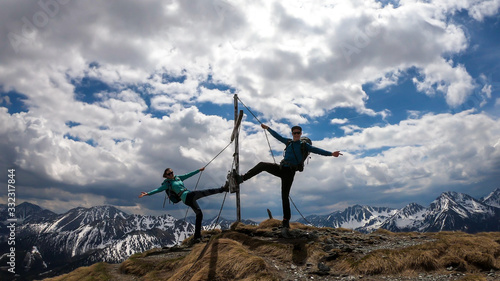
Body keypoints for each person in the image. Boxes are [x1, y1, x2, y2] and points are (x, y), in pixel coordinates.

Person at [234, 124, 342, 235]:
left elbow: (317, 150)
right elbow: (278, 136)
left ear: (301, 134)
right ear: (292, 134)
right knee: (262, 165)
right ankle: (242, 178)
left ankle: (286, 221)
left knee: (284, 196)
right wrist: (268, 128)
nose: (296, 135)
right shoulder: (289, 142)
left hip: (289, 172)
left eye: (298, 133)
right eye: (294, 133)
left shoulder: (303, 146)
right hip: (281, 168)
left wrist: (331, 154)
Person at [139, 167, 229, 244]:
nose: (171, 174)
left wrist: (199, 170)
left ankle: (197, 236)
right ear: (166, 176)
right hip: (186, 197)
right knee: (202, 193)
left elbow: (188, 175)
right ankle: (223, 189)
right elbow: (158, 189)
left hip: (188, 198)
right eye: (169, 174)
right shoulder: (167, 184)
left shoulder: (178, 178)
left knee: (199, 214)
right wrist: (147, 193)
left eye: (171, 172)